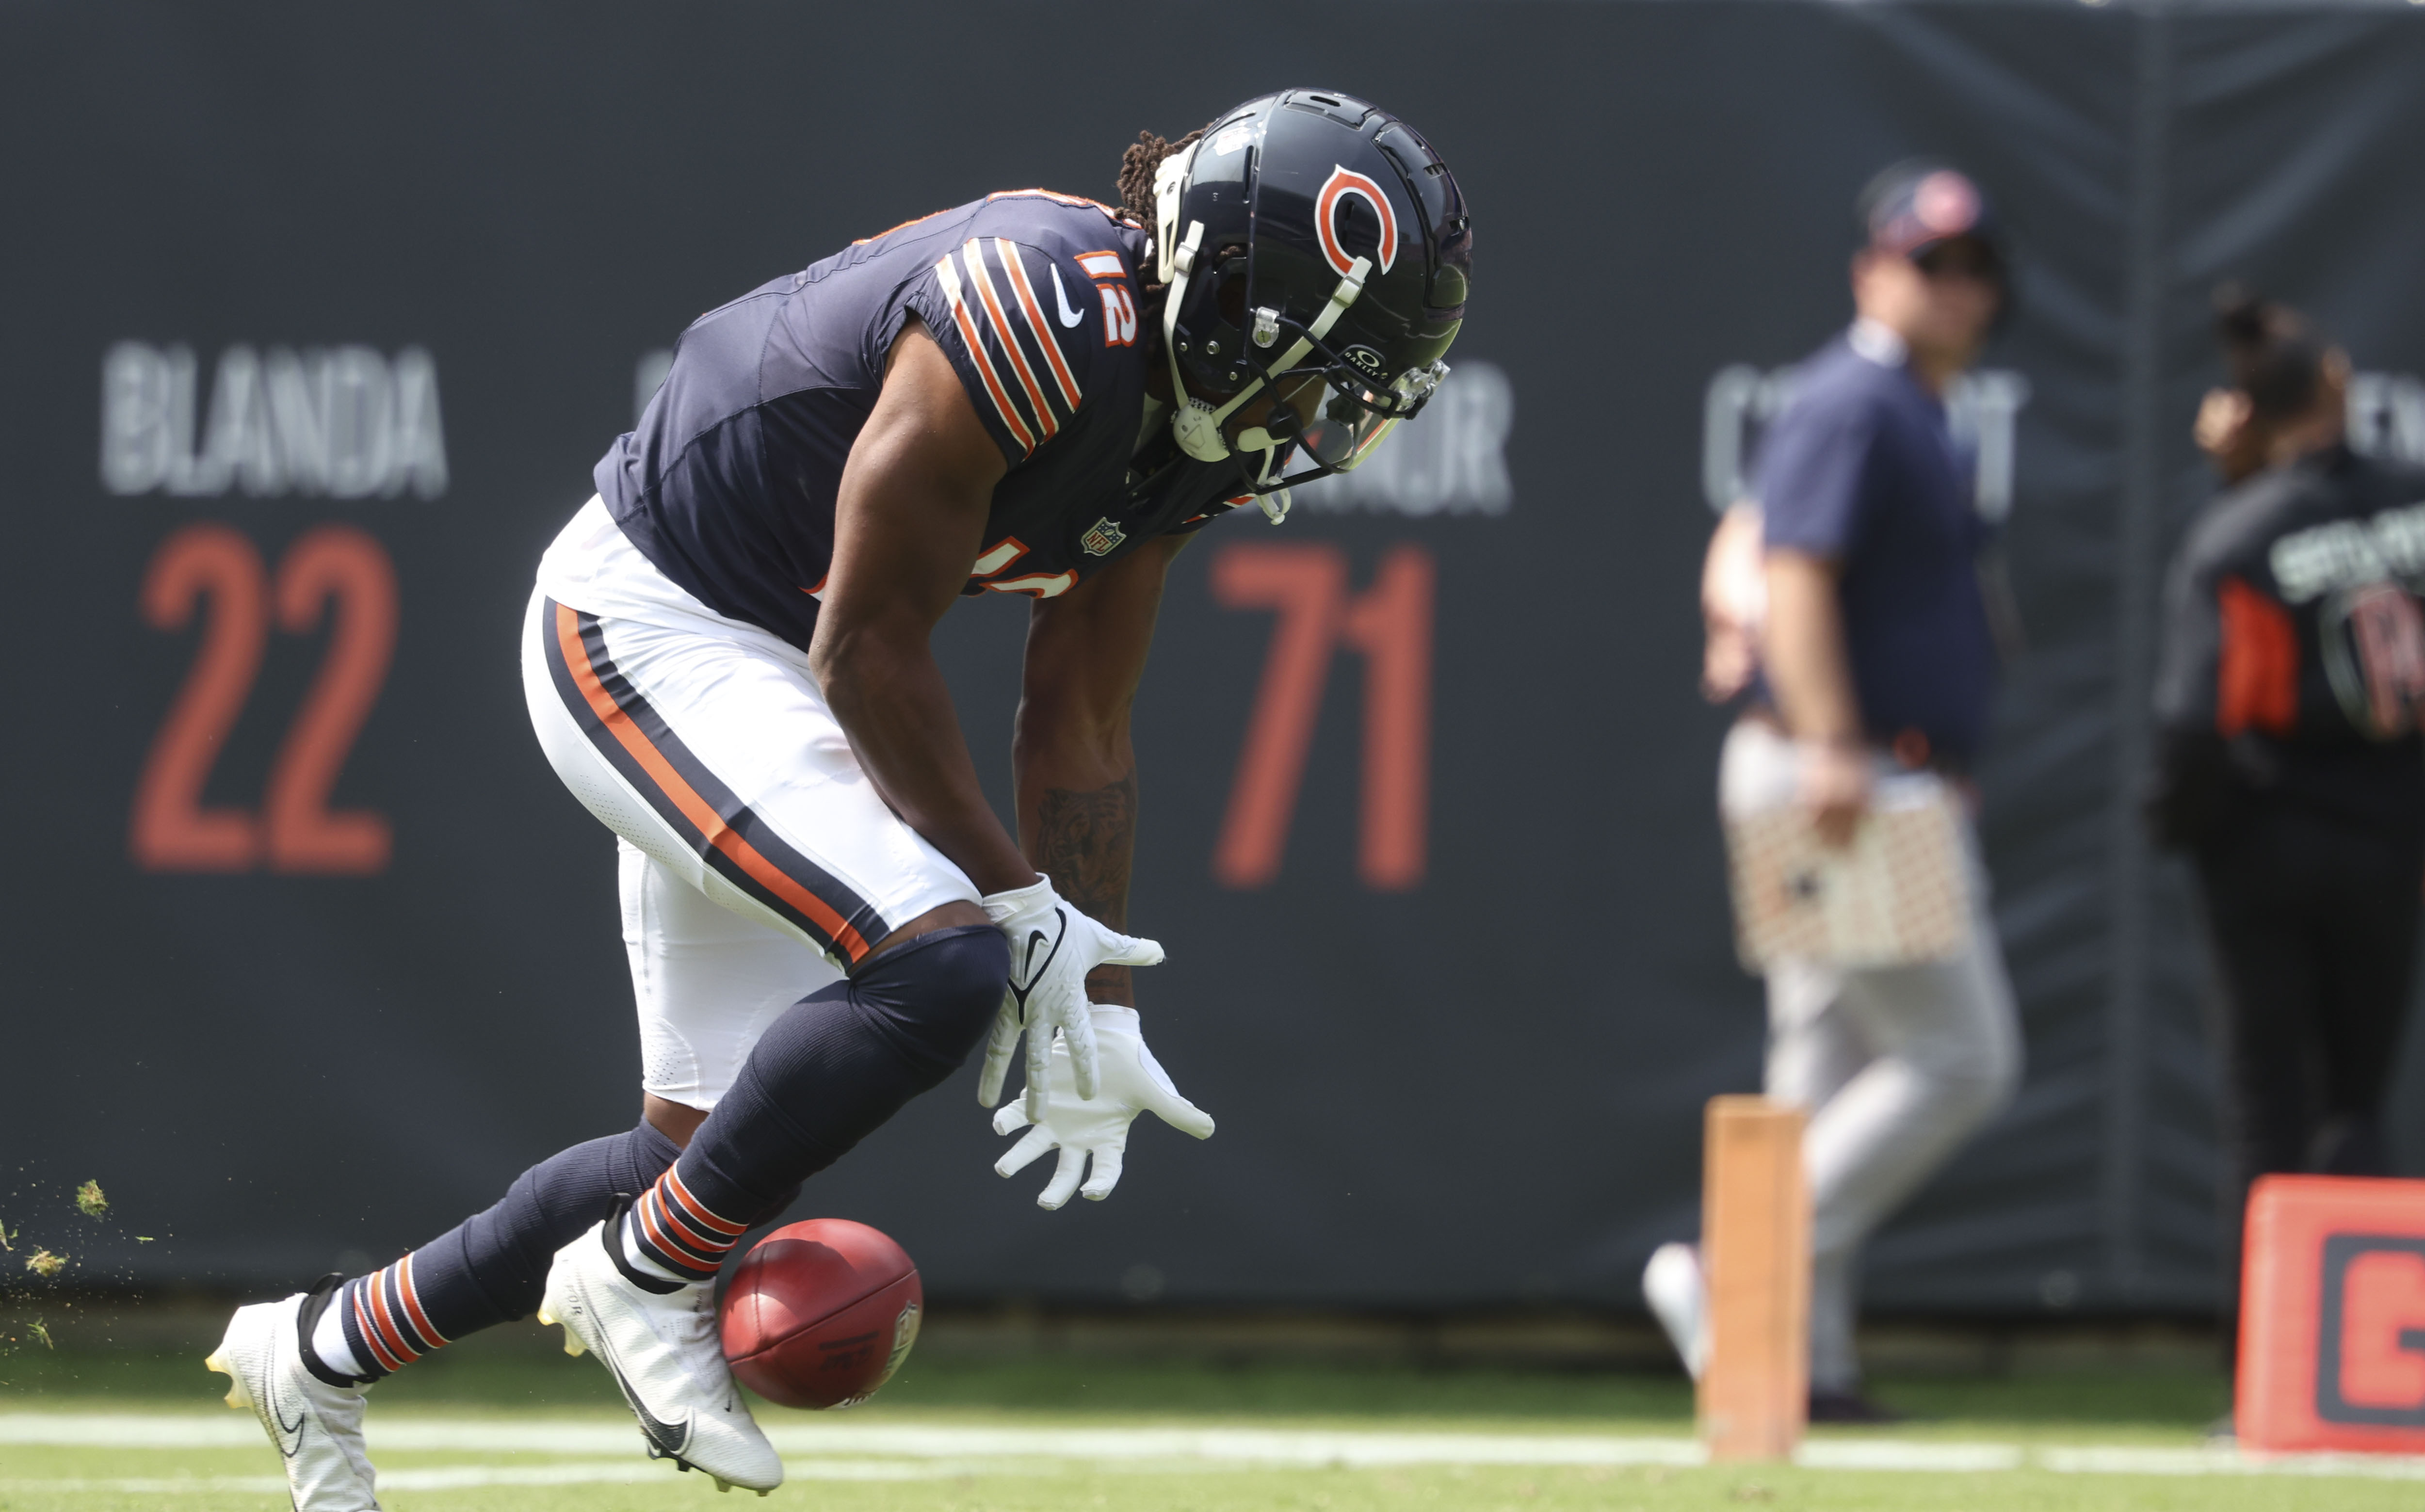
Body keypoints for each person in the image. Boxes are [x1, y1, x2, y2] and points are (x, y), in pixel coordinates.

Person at [204, 88, 1471, 1508]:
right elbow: (868, 646)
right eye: (1333, 367)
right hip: (648, 621)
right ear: (1247, 295)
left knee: (686, 1156)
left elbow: (1082, 716)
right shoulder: (1042, 305)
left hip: (765, 669)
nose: (1333, 414)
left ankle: (318, 1352)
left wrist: (1096, 989)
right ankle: (639, 1280)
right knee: (938, 962)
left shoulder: (1193, 428)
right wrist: (1015, 905)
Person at [1648, 161, 2023, 1422]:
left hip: (1859, 763)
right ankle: (1730, 1274)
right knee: (1963, 1056)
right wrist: (1834, 740)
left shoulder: (1902, 406)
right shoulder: (1860, 396)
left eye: (1975, 268)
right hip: (1842, 768)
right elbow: (1794, 566)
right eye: (1933, 263)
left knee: (1826, 1058)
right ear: (1874, 270)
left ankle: (1803, 1364)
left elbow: (1752, 537)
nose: (1959, 288)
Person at [2147, 288, 2425, 1369]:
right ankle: (2368, 1367)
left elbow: (2192, 719)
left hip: (2264, 843)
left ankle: (2265, 1376)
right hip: (2391, 835)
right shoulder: (2412, 496)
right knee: (2356, 1095)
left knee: (2267, 1105)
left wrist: (2185, 826)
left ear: (2242, 410)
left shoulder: (2237, 533)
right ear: (2339, 382)